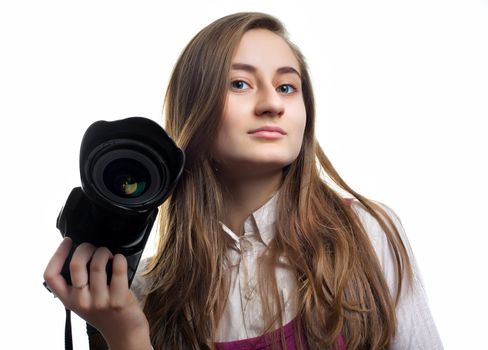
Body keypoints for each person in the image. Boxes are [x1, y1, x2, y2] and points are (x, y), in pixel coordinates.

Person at [44, 12, 443, 350]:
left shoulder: (367, 234)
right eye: (240, 84)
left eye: (287, 86)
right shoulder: (145, 291)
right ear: (195, 109)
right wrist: (123, 334)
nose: (272, 103)